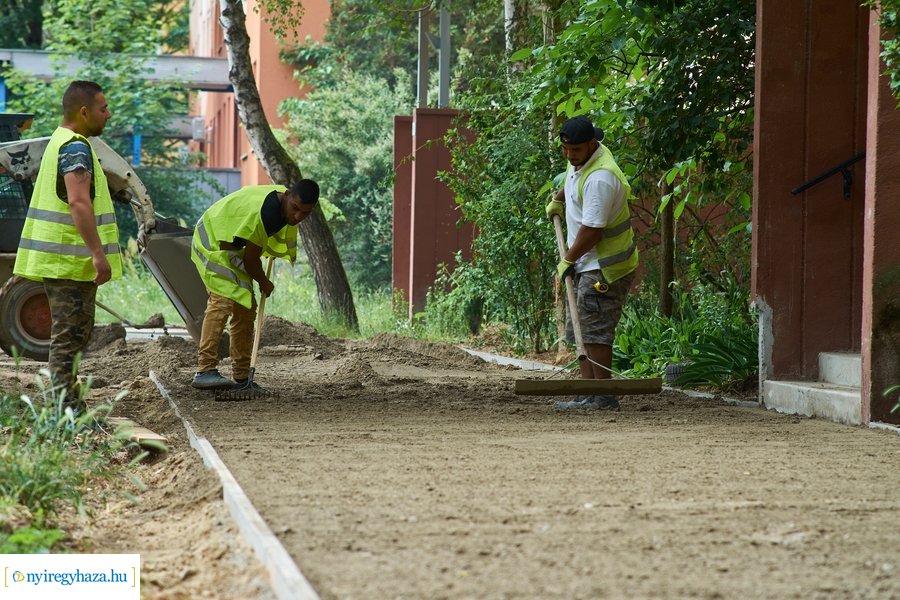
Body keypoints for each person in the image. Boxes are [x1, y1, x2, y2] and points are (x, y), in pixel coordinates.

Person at [13, 80, 121, 411]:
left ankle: (69, 407)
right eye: (103, 109)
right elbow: (78, 203)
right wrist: (98, 255)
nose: (108, 114)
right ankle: (64, 413)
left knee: (71, 337)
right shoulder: (75, 148)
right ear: (84, 111)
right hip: (70, 263)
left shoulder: (61, 141)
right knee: (68, 339)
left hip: (63, 261)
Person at [545, 116, 638, 411]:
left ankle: (603, 396)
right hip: (586, 262)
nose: (569, 156)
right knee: (581, 330)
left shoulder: (601, 178)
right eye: (565, 150)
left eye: (575, 151)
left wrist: (567, 259)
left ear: (591, 144)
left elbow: (593, 230)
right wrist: (560, 198)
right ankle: (587, 394)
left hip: (604, 266)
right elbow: (573, 179)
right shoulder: (585, 161)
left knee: (594, 331)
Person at [190, 180, 320, 390]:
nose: (298, 217)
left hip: (232, 249)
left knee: (246, 309)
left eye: (305, 213)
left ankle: (242, 378)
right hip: (211, 242)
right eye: (295, 208)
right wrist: (264, 282)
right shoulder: (265, 214)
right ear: (286, 195)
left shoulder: (281, 203)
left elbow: (254, 249)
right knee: (221, 301)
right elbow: (251, 261)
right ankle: (205, 370)